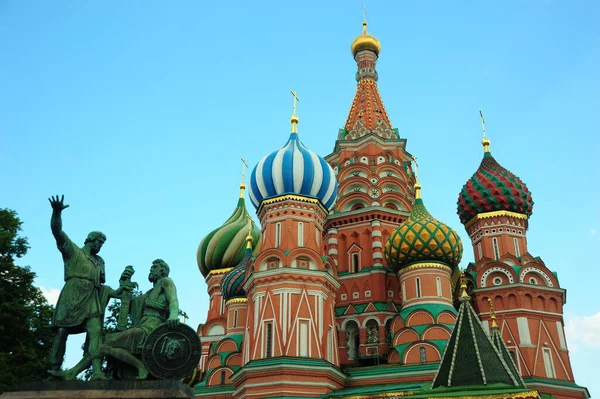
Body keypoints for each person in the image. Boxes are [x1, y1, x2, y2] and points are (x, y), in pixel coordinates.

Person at [48, 195, 131, 380]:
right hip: (72, 294)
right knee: (62, 331)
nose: (100, 246)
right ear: (89, 240)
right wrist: (57, 212)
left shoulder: (100, 262)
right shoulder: (73, 251)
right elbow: (57, 231)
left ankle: (97, 371)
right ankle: (54, 368)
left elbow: (102, 288)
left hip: (92, 298)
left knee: (96, 332)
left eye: (102, 244)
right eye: (98, 242)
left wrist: (120, 290)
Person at [57, 259, 180, 380]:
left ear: (163, 270)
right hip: (141, 326)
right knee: (101, 342)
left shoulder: (166, 281)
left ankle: (141, 367)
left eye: (155, 267)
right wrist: (125, 284)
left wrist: (174, 315)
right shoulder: (149, 293)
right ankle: (76, 373)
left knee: (104, 345)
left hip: (152, 329)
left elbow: (173, 300)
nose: (151, 269)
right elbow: (128, 306)